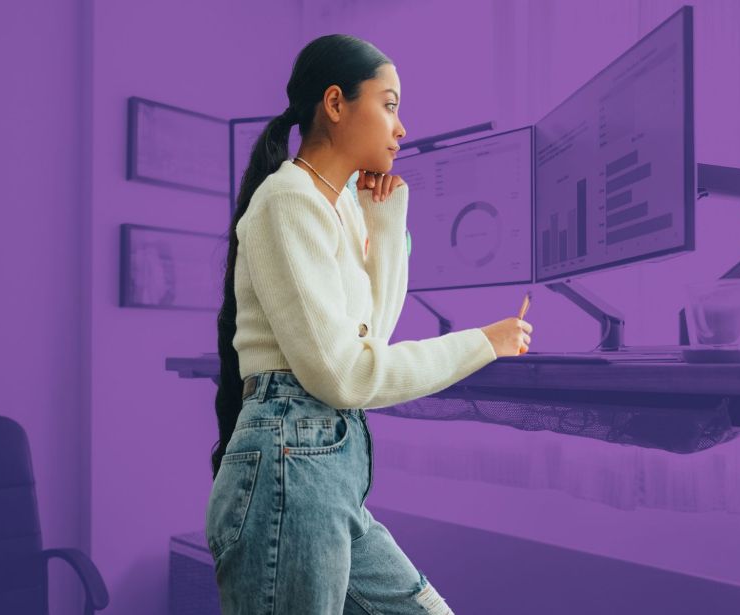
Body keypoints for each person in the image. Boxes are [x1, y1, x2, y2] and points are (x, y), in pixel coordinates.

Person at [206, 33, 534, 615]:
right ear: (335, 104)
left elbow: (369, 339)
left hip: (324, 472)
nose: (401, 127)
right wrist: (483, 342)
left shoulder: (334, 206)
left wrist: (383, 222)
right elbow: (346, 375)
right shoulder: (288, 200)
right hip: (292, 467)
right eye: (389, 104)